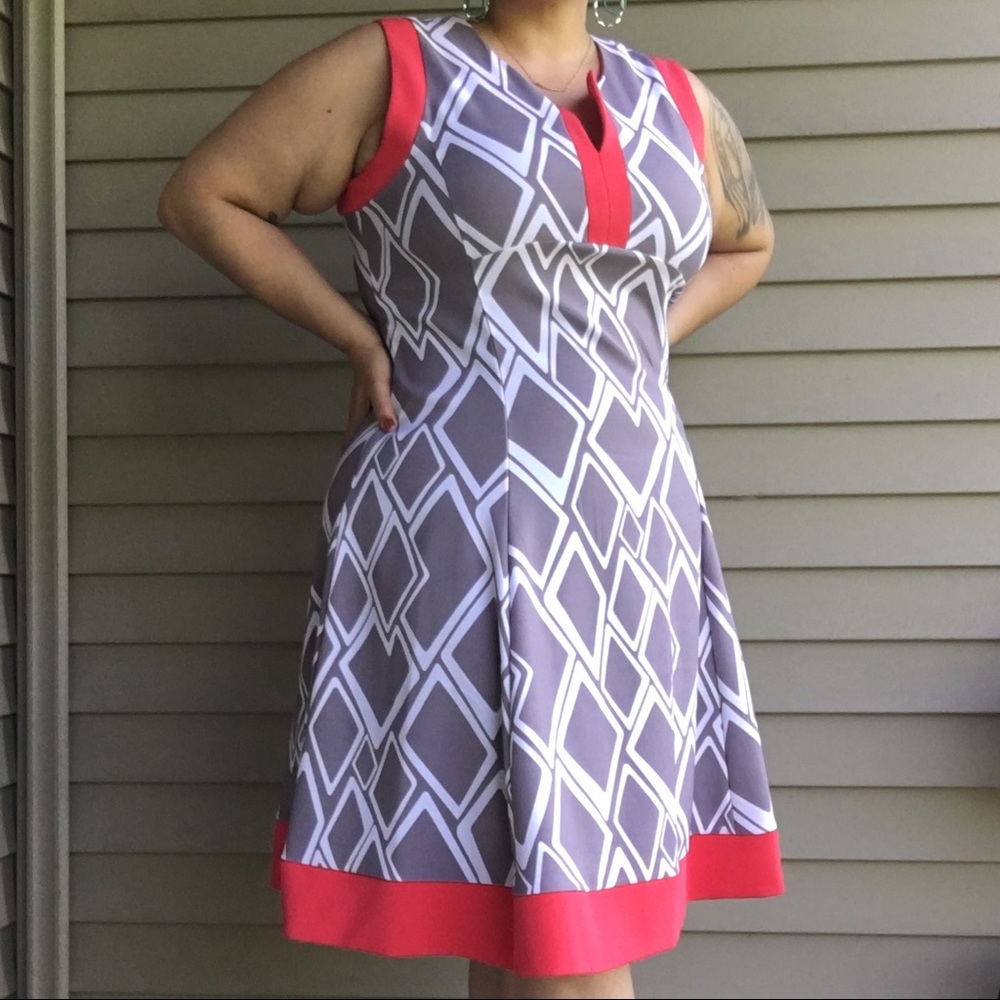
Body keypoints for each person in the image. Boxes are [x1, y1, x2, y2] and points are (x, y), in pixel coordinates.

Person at [158, 1, 784, 997]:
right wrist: (361, 339)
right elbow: (207, 197)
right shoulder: (397, 67)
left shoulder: (673, 99)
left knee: (533, 901)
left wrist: (634, 347)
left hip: (633, 532)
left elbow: (745, 243)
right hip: (468, 518)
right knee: (563, 919)